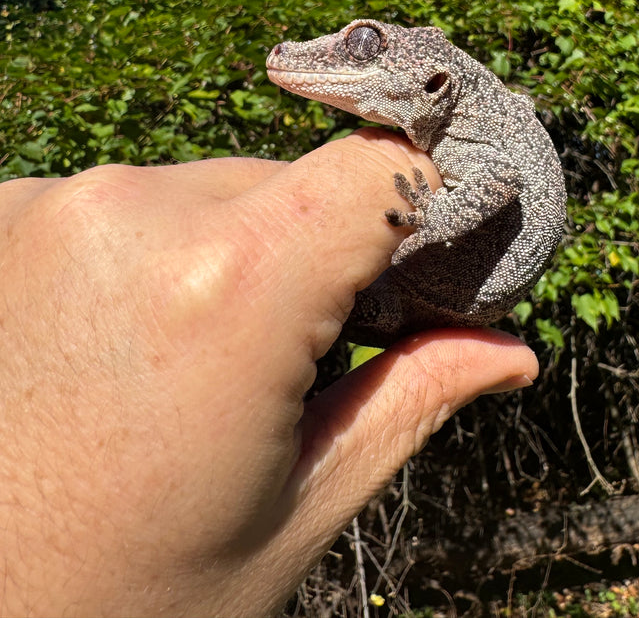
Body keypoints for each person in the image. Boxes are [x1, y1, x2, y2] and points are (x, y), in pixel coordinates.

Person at [0, 128, 539, 617]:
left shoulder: (483, 139)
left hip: (417, 294)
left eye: (360, 48)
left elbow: (499, 181)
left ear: (436, 81)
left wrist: (431, 220)